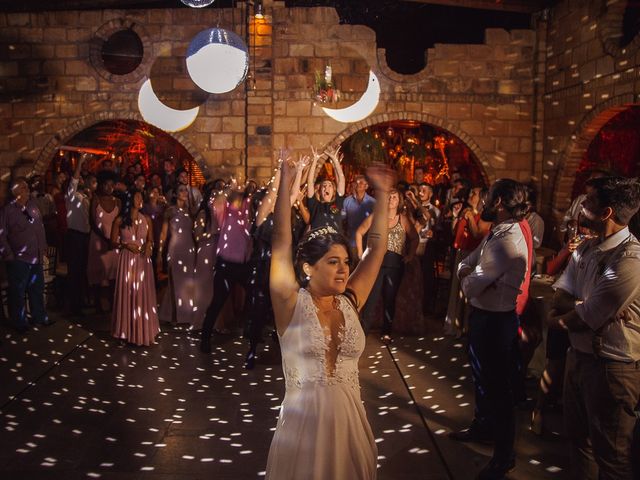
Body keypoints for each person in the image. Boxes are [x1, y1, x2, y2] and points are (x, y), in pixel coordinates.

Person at [265, 156, 395, 480]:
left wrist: (382, 193)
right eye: (333, 262)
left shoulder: (351, 301)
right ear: (309, 268)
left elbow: (376, 247)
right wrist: (286, 182)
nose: (344, 269)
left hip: (351, 426)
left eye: (346, 262)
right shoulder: (290, 304)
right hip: (304, 432)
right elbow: (281, 242)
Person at [550, 176, 640, 480]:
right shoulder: (586, 249)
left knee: (612, 456)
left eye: (587, 202)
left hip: (612, 368)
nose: (581, 207)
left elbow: (584, 317)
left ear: (607, 213)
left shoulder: (631, 259)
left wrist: (551, 321)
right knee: (578, 442)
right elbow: (561, 294)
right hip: (578, 356)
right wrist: (579, 305)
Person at [450, 179, 530, 480]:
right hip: (484, 317)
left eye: (488, 197)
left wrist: (470, 277)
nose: (483, 200)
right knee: (481, 378)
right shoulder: (497, 233)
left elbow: (470, 285)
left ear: (498, 202)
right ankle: (482, 426)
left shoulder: (506, 241)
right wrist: (469, 274)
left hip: (496, 322)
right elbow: (466, 264)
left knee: (499, 390)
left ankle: (504, 455)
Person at [355, 189, 418, 339]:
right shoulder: (376, 216)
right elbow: (359, 232)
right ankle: (363, 332)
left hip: (395, 265)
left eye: (394, 197)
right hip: (375, 264)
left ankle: (386, 332)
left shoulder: (403, 219)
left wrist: (410, 255)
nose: (391, 199)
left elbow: (415, 238)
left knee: (390, 298)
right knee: (371, 298)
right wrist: (360, 254)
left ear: (399, 200)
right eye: (388, 197)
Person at [0, 177, 51, 332]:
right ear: (15, 191)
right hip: (19, 259)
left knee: (37, 288)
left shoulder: (33, 206)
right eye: (23, 187)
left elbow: (39, 228)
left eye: (27, 187)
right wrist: (8, 254)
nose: (27, 190)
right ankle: (20, 323)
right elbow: (1, 235)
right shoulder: (7, 211)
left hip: (36, 257)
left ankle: (39, 317)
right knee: (18, 293)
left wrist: (43, 246)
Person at [110, 189, 159, 346]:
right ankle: (125, 332)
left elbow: (151, 239)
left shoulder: (146, 219)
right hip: (127, 261)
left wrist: (149, 246)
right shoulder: (119, 220)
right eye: (137, 196)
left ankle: (142, 331)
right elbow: (112, 242)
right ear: (130, 199)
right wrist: (125, 245)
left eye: (141, 197)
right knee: (128, 294)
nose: (140, 199)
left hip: (143, 261)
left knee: (142, 294)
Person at [157, 184, 197, 326]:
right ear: (175, 194)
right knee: (175, 281)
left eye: (185, 190)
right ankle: (174, 315)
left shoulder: (191, 211)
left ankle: (187, 314)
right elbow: (163, 233)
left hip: (189, 249)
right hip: (175, 248)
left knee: (188, 282)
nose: (184, 192)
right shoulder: (170, 211)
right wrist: (160, 253)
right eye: (181, 190)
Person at [87, 170, 120, 312]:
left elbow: (120, 221)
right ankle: (97, 303)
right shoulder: (96, 199)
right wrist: (103, 237)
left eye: (112, 185)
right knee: (98, 271)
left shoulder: (118, 201)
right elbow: (92, 222)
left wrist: (113, 239)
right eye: (106, 185)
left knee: (113, 271)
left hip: (113, 240)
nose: (109, 188)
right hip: (98, 239)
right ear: (101, 185)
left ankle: (113, 301)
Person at [65, 154, 91, 316]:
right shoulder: (71, 196)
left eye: (82, 179)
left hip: (86, 237)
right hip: (75, 237)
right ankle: (73, 307)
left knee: (82, 272)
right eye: (79, 179)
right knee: (74, 272)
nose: (80, 180)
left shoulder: (86, 197)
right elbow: (74, 180)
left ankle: (80, 303)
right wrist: (80, 162)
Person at [305, 145, 346, 232]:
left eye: (330, 185)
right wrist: (315, 161)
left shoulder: (337, 203)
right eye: (324, 186)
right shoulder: (314, 205)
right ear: (319, 191)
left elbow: (341, 180)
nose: (326, 187)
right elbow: (310, 182)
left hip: (335, 244)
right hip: (318, 244)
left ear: (333, 191)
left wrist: (335, 160)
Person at [342, 174, 375, 265]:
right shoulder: (347, 201)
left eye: (361, 183)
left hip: (367, 243)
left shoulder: (372, 203)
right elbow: (343, 220)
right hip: (352, 242)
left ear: (366, 186)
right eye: (356, 183)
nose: (358, 185)